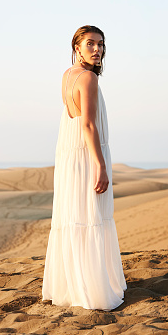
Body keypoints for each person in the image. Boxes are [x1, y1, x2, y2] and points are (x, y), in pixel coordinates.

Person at [41, 25, 127, 311]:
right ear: (76, 47)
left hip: (70, 157)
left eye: (100, 44)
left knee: (76, 218)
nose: (97, 49)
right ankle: (92, 292)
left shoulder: (68, 76)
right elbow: (88, 125)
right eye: (90, 44)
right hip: (87, 156)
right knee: (90, 218)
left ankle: (72, 287)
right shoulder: (88, 78)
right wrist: (100, 166)